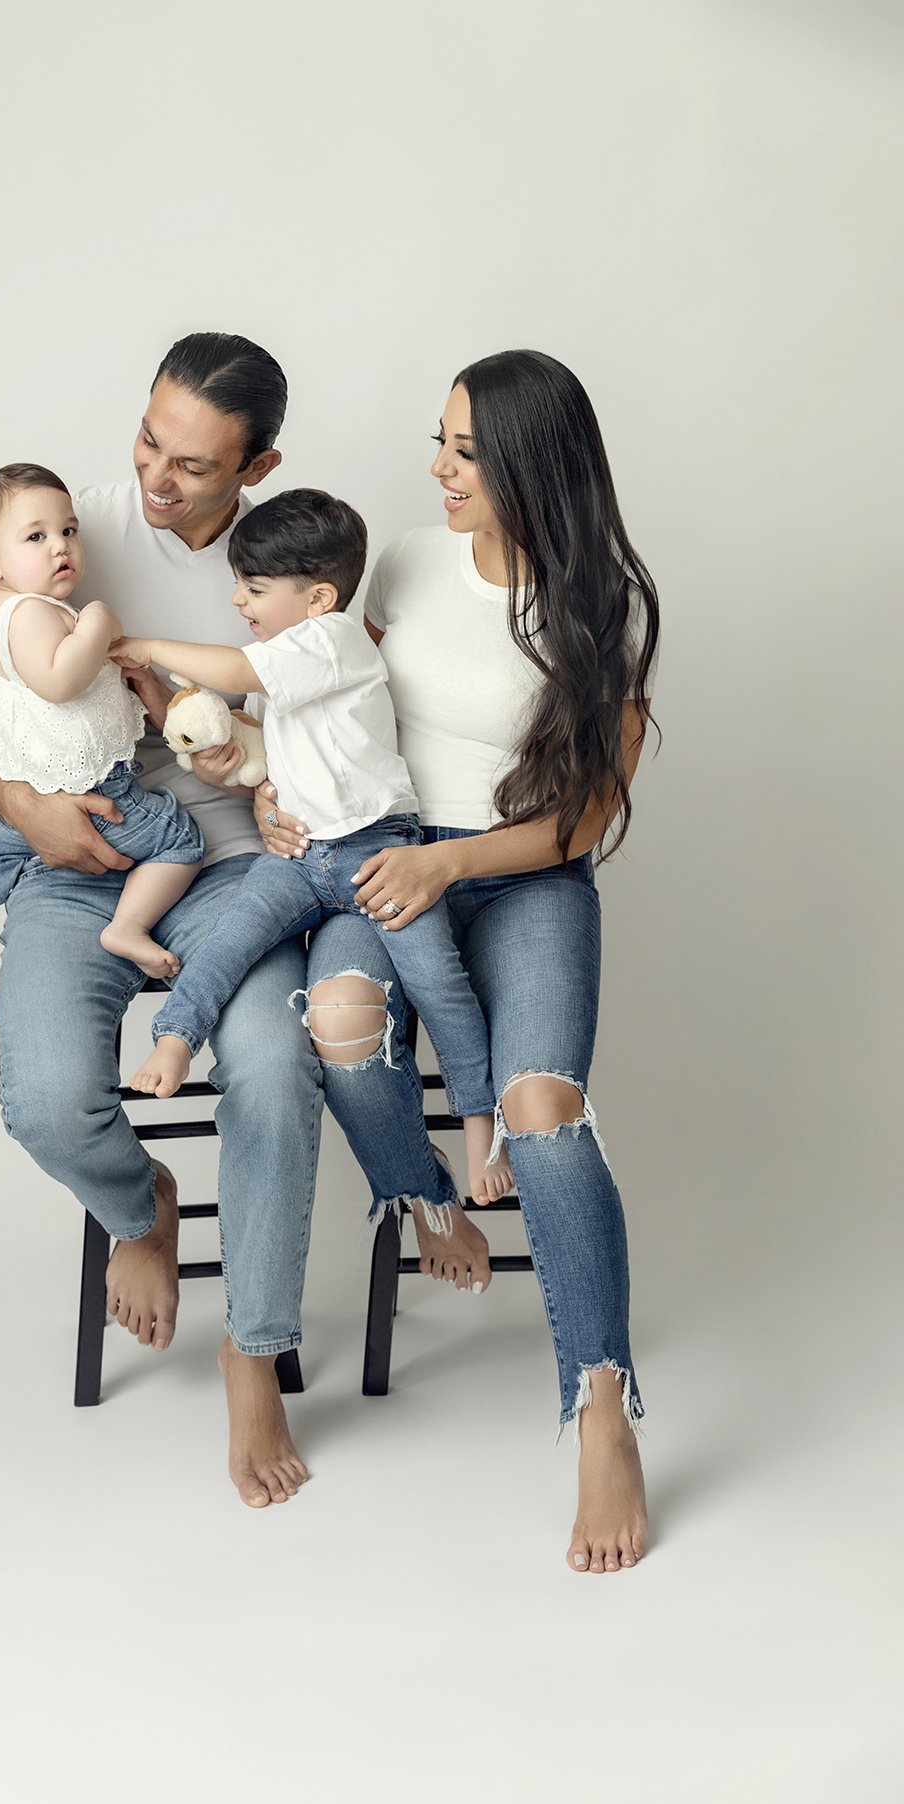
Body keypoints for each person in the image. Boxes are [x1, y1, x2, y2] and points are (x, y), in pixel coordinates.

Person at [260, 351, 660, 1571]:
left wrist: (452, 864)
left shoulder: (603, 608)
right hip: (380, 854)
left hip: (522, 875)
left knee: (542, 1113)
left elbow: (582, 820)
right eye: (439, 443)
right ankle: (428, 1195)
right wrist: (286, 794)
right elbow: (325, 696)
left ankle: (601, 1407)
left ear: (531, 463)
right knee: (336, 1015)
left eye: (462, 452)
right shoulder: (412, 561)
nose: (436, 469)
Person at [0, 334, 321, 1509]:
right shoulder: (61, 524)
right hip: (76, 851)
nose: (156, 477)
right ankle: (135, 1200)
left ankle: (253, 1352)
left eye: (194, 464)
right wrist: (18, 808)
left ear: (257, 465)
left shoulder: (290, 561)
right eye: (150, 439)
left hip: (229, 858)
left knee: (270, 1064)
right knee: (45, 1098)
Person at [113, 488, 512, 1207]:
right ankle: (175, 1038)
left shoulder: (331, 642)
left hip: (374, 853)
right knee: (229, 941)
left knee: (439, 985)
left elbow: (234, 674)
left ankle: (482, 1126)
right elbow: (252, 748)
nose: (237, 599)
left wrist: (148, 644)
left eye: (254, 587)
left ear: (320, 597)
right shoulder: (283, 660)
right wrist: (182, 719)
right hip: (300, 860)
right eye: (239, 583)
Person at [0, 463, 204, 985]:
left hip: (23, 783)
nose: (61, 547)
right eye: (36, 536)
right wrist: (98, 621)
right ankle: (127, 926)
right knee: (180, 839)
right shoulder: (39, 613)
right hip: (95, 791)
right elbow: (59, 681)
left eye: (68, 531)